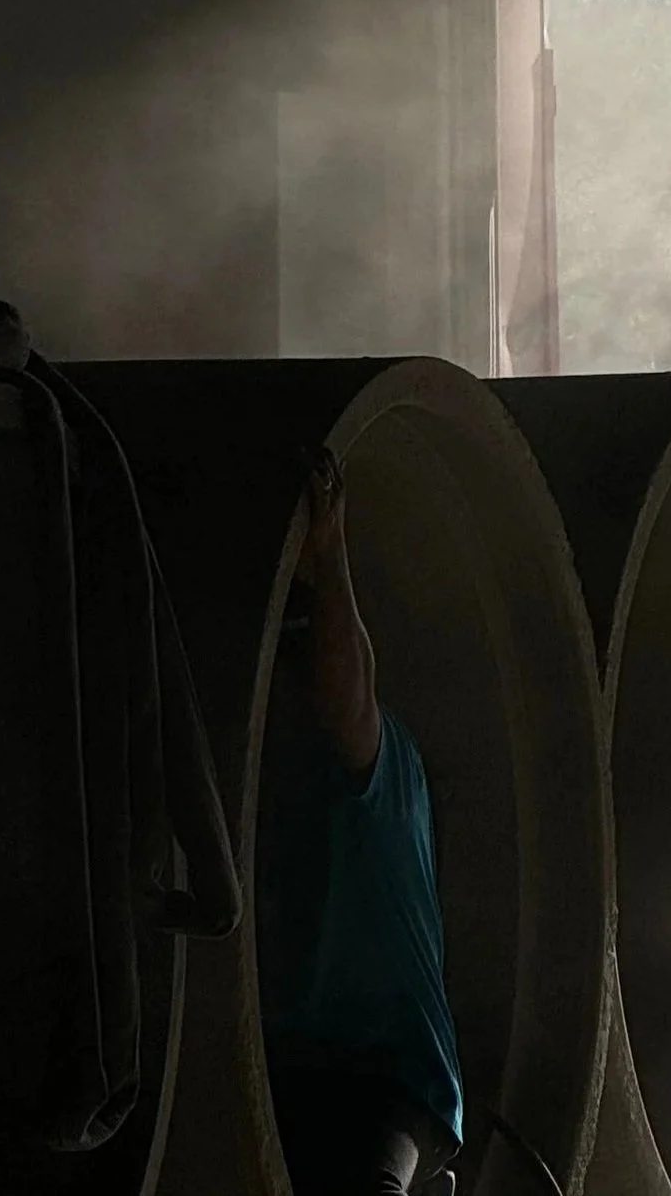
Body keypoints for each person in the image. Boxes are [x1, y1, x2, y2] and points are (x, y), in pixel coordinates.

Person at [257, 451, 463, 1196]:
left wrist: (330, 553)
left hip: (389, 1078)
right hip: (296, 1071)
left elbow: (347, 697)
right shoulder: (264, 797)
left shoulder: (378, 769)